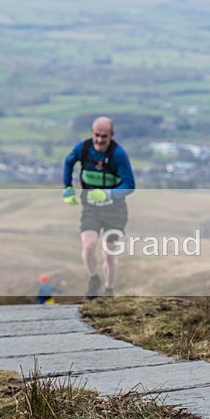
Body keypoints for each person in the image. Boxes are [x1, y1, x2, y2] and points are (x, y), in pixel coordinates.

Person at [62, 116, 135, 299]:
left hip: (114, 210)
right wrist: (68, 187)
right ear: (92, 133)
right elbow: (68, 162)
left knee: (108, 254)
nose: (100, 140)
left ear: (112, 135)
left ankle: (109, 290)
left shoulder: (118, 154)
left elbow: (129, 184)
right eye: (97, 135)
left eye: (104, 136)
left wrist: (108, 194)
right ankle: (94, 279)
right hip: (91, 207)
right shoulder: (83, 148)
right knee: (88, 246)